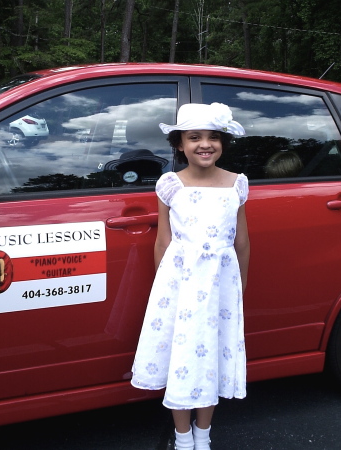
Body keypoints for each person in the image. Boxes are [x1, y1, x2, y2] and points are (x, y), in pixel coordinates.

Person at [131, 103, 250, 450]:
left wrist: (240, 286)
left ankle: (204, 434)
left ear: (223, 143)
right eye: (194, 137)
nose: (205, 144)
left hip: (220, 288)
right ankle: (183, 438)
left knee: (210, 353)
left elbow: (241, 241)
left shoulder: (236, 185)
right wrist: (163, 290)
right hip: (180, 287)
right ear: (179, 144)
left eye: (213, 137)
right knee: (183, 355)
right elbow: (163, 240)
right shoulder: (171, 185)